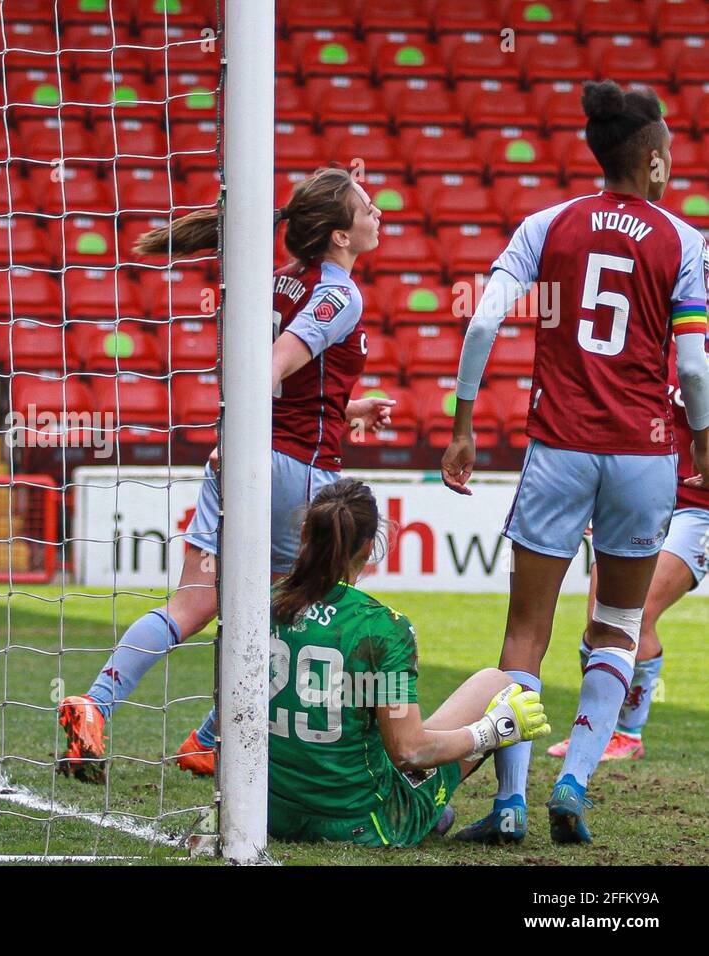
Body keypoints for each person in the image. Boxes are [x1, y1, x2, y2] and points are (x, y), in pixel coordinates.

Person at [57, 167, 395, 782]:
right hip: (294, 473)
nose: (379, 215)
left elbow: (288, 383)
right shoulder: (339, 294)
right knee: (299, 613)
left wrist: (343, 409)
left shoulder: (277, 283)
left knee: (189, 605)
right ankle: (213, 739)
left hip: (235, 460)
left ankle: (94, 705)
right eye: (368, 207)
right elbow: (269, 371)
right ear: (341, 236)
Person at [440, 80, 709, 844]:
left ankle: (511, 803)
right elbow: (692, 367)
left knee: (525, 635)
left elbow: (486, 317)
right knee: (618, 627)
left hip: (557, 447)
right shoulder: (684, 242)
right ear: (654, 162)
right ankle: (575, 780)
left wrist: (462, 425)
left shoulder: (547, 224)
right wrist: (704, 441)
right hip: (642, 456)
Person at [264, 479, 549, 847]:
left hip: (269, 810)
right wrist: (493, 730)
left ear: (305, 533)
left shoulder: (264, 602)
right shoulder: (382, 628)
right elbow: (409, 751)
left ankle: (429, 805)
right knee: (497, 685)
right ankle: (437, 808)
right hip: (359, 821)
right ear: (370, 547)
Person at [548, 340, 709, 762]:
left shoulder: (693, 357)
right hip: (636, 494)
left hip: (698, 510)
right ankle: (593, 730)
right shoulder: (650, 345)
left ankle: (626, 734)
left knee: (636, 617)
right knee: (599, 626)